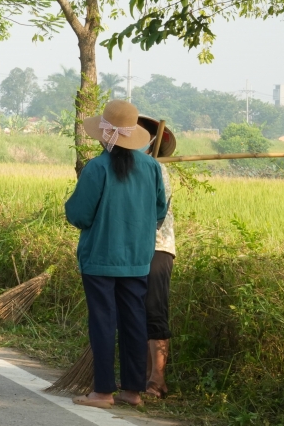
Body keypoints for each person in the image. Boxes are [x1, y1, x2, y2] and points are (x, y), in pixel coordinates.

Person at [65, 99, 167, 409]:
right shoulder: (152, 167)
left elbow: (79, 214)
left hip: (100, 258)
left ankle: (103, 392)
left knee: (103, 322)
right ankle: (132, 391)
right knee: (134, 321)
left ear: (105, 133)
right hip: (137, 260)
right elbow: (159, 211)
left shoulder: (97, 167)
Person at [138, 116, 177, 399]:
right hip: (134, 250)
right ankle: (143, 376)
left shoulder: (157, 172)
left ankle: (157, 380)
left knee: (154, 310)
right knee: (136, 312)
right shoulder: (131, 167)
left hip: (157, 248)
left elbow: (153, 213)